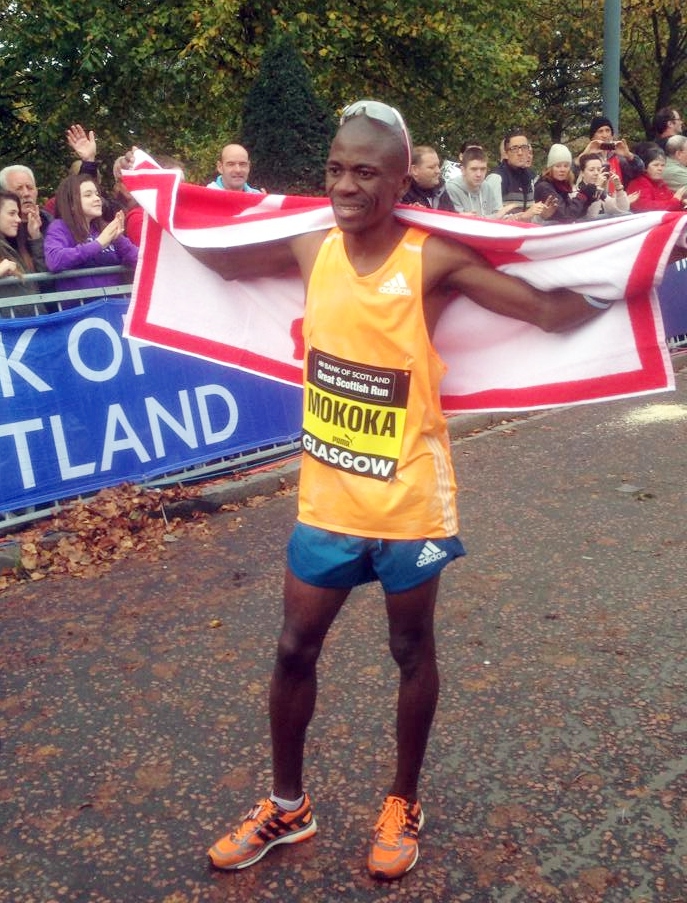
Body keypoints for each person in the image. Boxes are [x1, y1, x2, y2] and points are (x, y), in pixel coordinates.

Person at [198, 99, 615, 881]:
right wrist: (147, 203)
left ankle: (403, 800)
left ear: (398, 183)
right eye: (334, 169)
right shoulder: (306, 243)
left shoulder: (429, 259)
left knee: (408, 648)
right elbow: (218, 258)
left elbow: (546, 312)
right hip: (327, 498)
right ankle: (287, 805)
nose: (344, 185)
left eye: (364, 172)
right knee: (293, 648)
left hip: (408, 498)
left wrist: (638, 272)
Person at [44, 173, 138, 304]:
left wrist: (119, 240)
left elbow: (138, 260)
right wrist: (98, 244)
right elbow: (54, 260)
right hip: (83, 315)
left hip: (115, 308)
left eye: (97, 194)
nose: (97, 199)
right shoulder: (59, 227)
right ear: (71, 203)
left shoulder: (103, 227)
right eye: (88, 195)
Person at [485, 129, 556, 222]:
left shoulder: (529, 178)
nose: (520, 153)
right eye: (514, 149)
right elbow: (491, 220)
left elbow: (529, 220)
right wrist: (522, 217)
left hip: (524, 234)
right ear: (506, 154)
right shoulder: (496, 178)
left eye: (524, 147)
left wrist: (542, 216)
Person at [0, 189, 47, 316]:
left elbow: (44, 278)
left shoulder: (11, 246)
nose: (18, 219)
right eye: (12, 213)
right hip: (12, 330)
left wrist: (36, 236)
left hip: (30, 327)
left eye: (18, 214)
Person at [574, 115, 644, 190]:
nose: (605, 135)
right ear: (592, 137)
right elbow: (571, 174)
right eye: (600, 131)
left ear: (612, 135)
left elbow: (639, 171)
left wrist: (629, 155)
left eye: (608, 130)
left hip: (617, 199)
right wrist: (584, 154)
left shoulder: (619, 158)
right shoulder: (586, 157)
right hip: (591, 199)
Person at [533, 144, 597, 223]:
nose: (562, 169)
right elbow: (566, 216)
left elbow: (576, 214)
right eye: (558, 166)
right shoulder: (544, 187)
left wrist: (588, 199)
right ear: (550, 168)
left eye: (566, 166)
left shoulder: (562, 185)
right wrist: (582, 195)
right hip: (544, 230)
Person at [446, 146, 515, 217]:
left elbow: (496, 214)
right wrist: (497, 216)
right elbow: (460, 223)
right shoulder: (451, 189)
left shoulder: (486, 187)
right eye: (474, 169)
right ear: (463, 170)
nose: (479, 174)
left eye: (483, 169)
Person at [627, 142, 687, 212]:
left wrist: (682, 203)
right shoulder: (638, 183)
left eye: (662, 165)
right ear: (645, 167)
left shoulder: (660, 183)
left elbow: (671, 203)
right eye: (655, 165)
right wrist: (676, 200)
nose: (660, 168)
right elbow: (645, 207)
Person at [576, 153, 635, 218]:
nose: (596, 173)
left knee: (628, 215)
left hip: (600, 225)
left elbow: (622, 209)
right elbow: (591, 216)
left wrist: (619, 188)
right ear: (582, 173)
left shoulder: (601, 192)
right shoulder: (576, 192)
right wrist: (597, 187)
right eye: (591, 170)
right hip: (586, 225)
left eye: (599, 169)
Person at [401, 145, 455, 210]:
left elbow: (450, 214)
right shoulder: (401, 193)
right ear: (414, 170)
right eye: (431, 167)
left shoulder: (441, 189)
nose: (438, 171)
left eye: (438, 165)